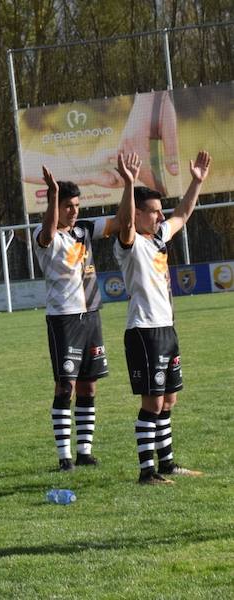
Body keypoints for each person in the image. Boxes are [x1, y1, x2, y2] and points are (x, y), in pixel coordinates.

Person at [113, 150, 211, 485]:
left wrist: (196, 183)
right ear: (137, 214)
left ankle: (167, 464)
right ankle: (147, 472)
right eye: (152, 212)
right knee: (152, 403)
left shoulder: (156, 239)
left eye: (158, 212)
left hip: (166, 329)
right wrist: (128, 184)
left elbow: (182, 215)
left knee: (169, 399)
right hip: (144, 331)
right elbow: (124, 222)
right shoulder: (128, 244)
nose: (159, 217)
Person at [33, 170, 119, 471]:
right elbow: (47, 232)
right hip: (64, 320)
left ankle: (84, 452)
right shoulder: (45, 236)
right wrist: (53, 194)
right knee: (65, 387)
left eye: (76, 206)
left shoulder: (84, 230)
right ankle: (64, 457)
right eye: (68, 206)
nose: (74, 211)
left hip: (91, 316)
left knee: (89, 386)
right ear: (57, 207)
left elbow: (120, 222)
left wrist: (128, 183)